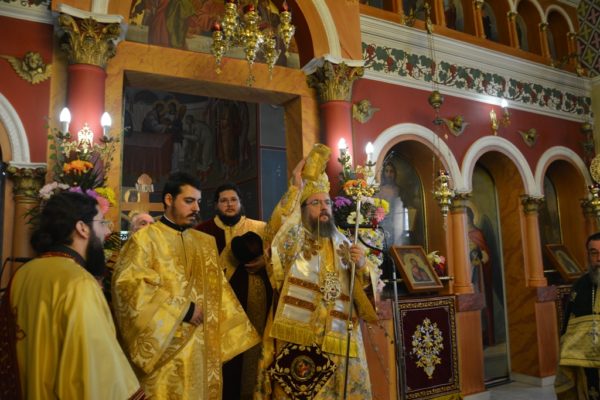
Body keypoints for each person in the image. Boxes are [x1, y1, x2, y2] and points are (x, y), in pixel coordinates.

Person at [111, 172, 260, 399]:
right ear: (169, 200)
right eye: (189, 201)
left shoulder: (204, 243)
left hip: (202, 351)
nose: (196, 208)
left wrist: (232, 333)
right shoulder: (144, 240)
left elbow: (219, 290)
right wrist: (183, 309)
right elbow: (128, 287)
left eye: (198, 202)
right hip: (164, 354)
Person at [255, 158, 379, 399]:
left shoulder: (345, 243)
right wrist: (295, 188)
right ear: (302, 209)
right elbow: (274, 234)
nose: (324, 207)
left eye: (327, 202)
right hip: (300, 335)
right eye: (315, 202)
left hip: (340, 336)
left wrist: (363, 265)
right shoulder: (294, 239)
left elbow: (363, 290)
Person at [0, 191, 144, 399]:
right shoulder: (79, 283)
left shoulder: (22, 274)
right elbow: (96, 369)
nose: (106, 232)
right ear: (82, 228)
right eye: (102, 223)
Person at [195, 182, 269, 400]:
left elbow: (277, 256)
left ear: (240, 203)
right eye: (224, 201)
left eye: (233, 200)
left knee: (251, 360)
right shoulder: (201, 232)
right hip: (218, 309)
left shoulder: (260, 229)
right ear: (216, 205)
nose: (229, 204)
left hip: (254, 308)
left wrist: (266, 261)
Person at [555, 232, 600, 399]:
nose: (599, 259)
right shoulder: (579, 286)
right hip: (585, 362)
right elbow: (568, 326)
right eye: (594, 253)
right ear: (588, 255)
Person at [378, 161, 404, 245]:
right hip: (384, 223)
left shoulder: (399, 189)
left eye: (391, 171)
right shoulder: (379, 189)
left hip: (398, 222)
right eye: (387, 171)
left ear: (395, 173)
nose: (389, 174)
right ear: (383, 173)